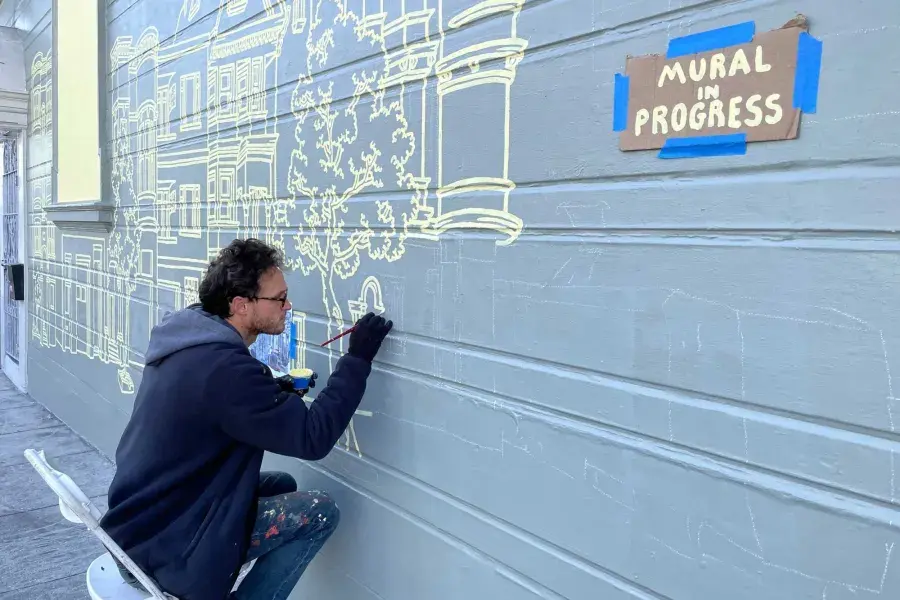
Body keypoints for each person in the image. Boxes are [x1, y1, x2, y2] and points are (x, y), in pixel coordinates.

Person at [99, 238, 393, 600]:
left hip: (141, 523)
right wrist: (358, 358)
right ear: (241, 305)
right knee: (319, 512)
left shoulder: (191, 341)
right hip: (166, 547)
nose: (288, 306)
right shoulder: (225, 369)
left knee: (282, 482)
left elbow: (221, 407)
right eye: (279, 299)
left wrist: (278, 389)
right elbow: (312, 437)